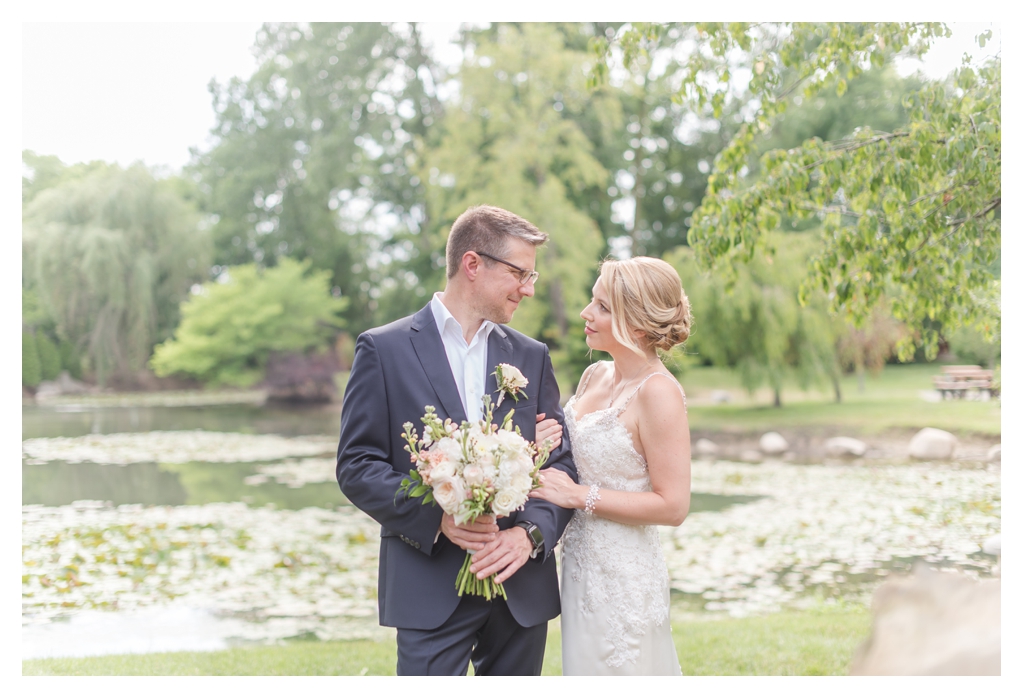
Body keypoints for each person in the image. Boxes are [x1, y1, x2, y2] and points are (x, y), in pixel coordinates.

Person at [336, 204, 578, 676]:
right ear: (473, 264)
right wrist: (439, 519)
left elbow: (562, 465)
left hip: (519, 589)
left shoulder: (531, 356)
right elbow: (357, 466)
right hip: (428, 587)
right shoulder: (382, 350)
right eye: (519, 273)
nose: (529, 288)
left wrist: (528, 537)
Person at [531, 256, 692, 675]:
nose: (586, 313)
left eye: (602, 307)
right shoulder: (593, 376)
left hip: (625, 575)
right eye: (591, 300)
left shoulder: (658, 393)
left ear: (637, 324)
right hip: (580, 568)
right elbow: (573, 456)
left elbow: (673, 506)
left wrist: (577, 496)